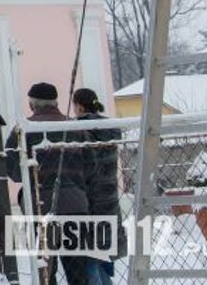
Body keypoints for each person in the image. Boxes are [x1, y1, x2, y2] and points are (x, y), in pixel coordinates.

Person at [6, 82, 90, 285]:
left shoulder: (23, 130)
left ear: (32, 104)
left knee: (46, 272)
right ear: (56, 102)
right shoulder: (75, 127)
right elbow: (91, 166)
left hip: (41, 207)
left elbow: (14, 172)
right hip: (76, 207)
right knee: (78, 272)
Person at [74, 87, 122, 285]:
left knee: (90, 260)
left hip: (89, 201)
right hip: (110, 199)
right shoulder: (110, 128)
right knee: (100, 257)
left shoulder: (79, 131)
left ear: (79, 106)